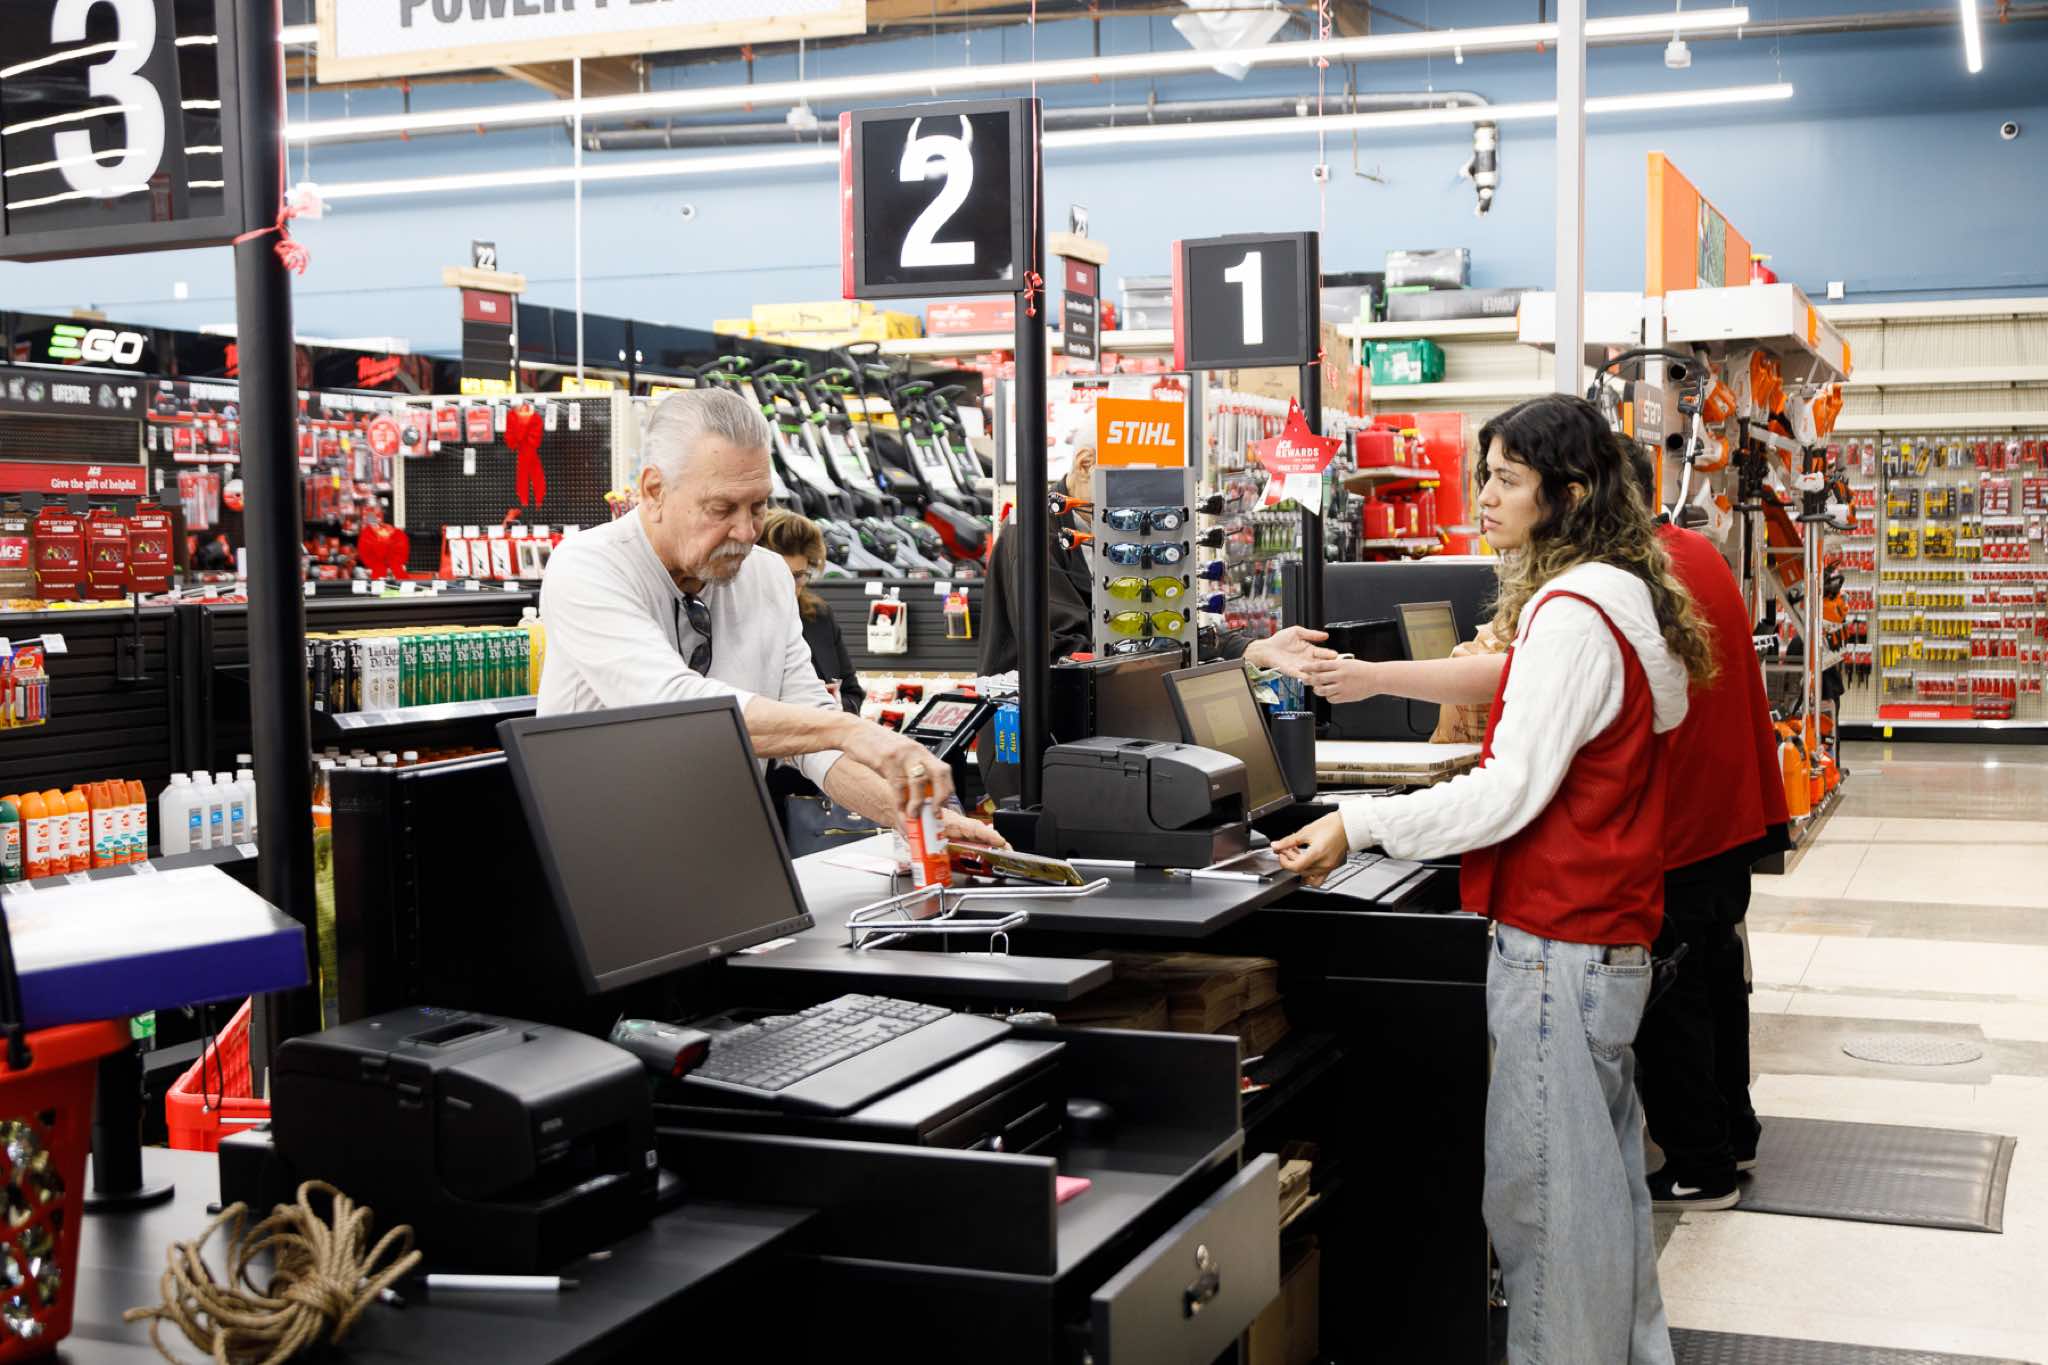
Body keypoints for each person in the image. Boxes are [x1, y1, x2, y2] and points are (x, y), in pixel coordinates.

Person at [1273, 394, 1716, 1365]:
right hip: (1604, 941)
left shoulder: (1574, 612)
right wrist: (1376, 681)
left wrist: (1358, 824)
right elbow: (1533, 693)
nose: (1483, 496)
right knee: (1601, 1209)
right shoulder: (1616, 596)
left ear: (1568, 495)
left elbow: (1508, 792)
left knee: (1546, 1213)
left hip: (1558, 946)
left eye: (1506, 480)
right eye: (1486, 474)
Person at [538, 388, 1002, 846]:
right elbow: (670, 705)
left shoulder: (766, 575)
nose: (746, 532)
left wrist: (917, 820)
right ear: (654, 490)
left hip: (721, 848)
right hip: (598, 853)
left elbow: (813, 737)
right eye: (722, 508)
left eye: (758, 506)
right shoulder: (589, 566)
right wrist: (850, 729)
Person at [977, 442, 1329, 678]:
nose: (1142, 506)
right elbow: (1068, 653)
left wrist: (1253, 648)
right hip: (1036, 737)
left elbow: (1160, 629)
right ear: (1085, 465)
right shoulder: (1032, 533)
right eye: (1128, 486)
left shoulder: (1123, 531)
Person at [759, 508, 864, 714]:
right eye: (780, 575)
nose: (790, 587)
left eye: (798, 576)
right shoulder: (736, 623)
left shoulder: (819, 616)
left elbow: (852, 694)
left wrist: (833, 704)